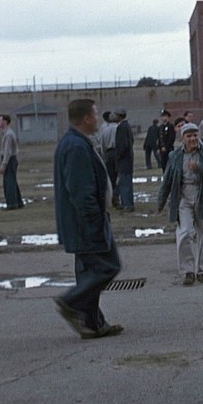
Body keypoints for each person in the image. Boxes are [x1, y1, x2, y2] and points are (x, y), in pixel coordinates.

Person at [53, 99, 124, 339]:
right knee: (108, 266)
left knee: (89, 273)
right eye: (95, 114)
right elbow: (81, 191)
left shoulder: (78, 142)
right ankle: (70, 302)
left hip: (83, 222)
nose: (98, 118)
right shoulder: (75, 146)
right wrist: (94, 221)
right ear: (85, 118)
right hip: (85, 224)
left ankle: (93, 324)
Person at [157, 123, 203, 286]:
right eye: (189, 136)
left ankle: (201, 271)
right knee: (184, 233)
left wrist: (199, 168)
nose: (193, 138)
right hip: (183, 197)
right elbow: (167, 179)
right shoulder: (175, 156)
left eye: (195, 135)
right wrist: (161, 202)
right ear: (182, 138)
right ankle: (188, 271)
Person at [0, 114, 24, 210]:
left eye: (0, 120)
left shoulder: (8, 134)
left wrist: (4, 165)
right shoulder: (7, 133)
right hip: (11, 160)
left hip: (10, 160)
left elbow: (7, 151)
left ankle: (12, 204)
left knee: (9, 183)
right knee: (12, 181)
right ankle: (18, 202)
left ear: (5, 122)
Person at [114, 108, 135, 212]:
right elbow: (131, 141)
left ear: (119, 116)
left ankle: (127, 204)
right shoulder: (127, 126)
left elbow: (123, 144)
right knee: (127, 182)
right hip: (129, 158)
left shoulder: (121, 127)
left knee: (124, 182)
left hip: (124, 159)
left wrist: (118, 155)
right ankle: (129, 203)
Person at [99, 112, 119, 207]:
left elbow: (102, 144)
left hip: (108, 153)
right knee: (119, 176)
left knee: (111, 177)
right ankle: (116, 196)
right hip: (117, 152)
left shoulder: (104, 130)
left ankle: (111, 197)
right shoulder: (118, 128)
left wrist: (104, 155)